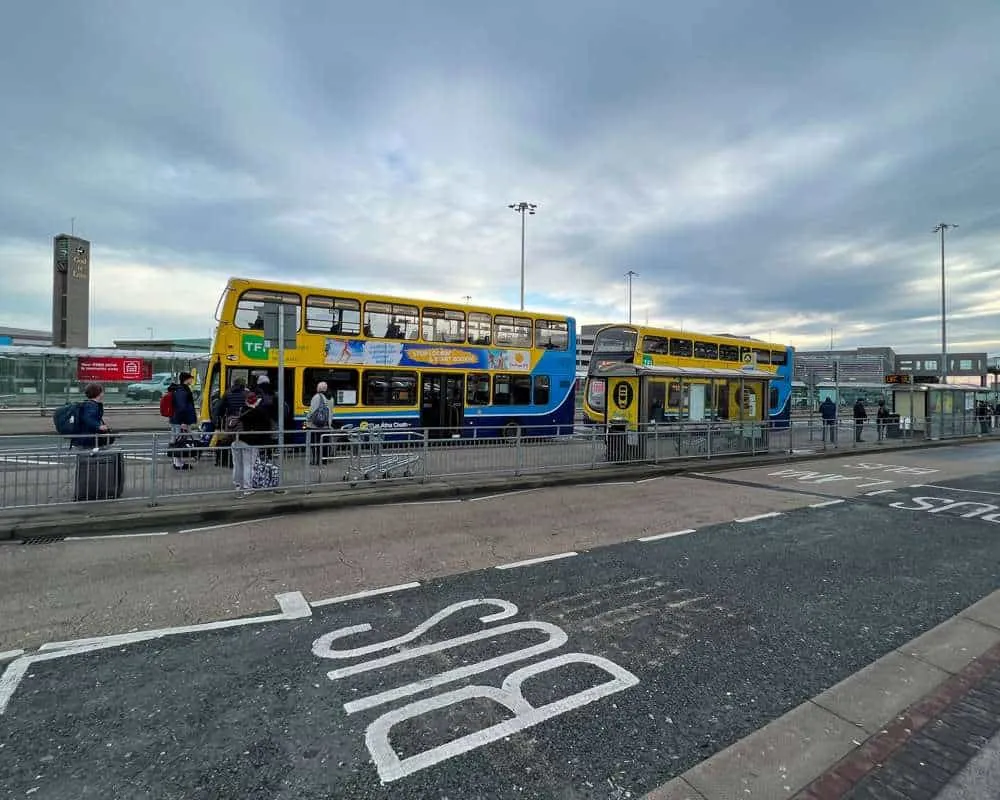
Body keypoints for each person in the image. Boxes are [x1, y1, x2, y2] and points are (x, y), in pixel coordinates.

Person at [231, 392, 275, 495]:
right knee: (248, 465)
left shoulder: (242, 410)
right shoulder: (260, 412)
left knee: (237, 465)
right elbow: (267, 428)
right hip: (250, 442)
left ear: (246, 401)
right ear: (256, 401)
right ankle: (247, 488)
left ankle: (238, 485)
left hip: (236, 440)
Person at [169, 372, 198, 471]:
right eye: (191, 378)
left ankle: (178, 462)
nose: (192, 380)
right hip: (180, 420)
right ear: (186, 379)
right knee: (179, 441)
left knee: (178, 440)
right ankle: (178, 463)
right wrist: (183, 422)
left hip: (177, 420)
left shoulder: (181, 389)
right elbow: (181, 407)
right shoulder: (182, 390)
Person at [71, 383, 111, 449]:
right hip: (88, 439)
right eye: (102, 391)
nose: (103, 393)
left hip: (86, 438)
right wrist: (99, 426)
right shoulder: (91, 405)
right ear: (98, 393)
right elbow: (88, 418)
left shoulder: (89, 404)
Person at [304, 381, 334, 465]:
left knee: (314, 444)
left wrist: (307, 418)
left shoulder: (317, 397)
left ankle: (315, 461)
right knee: (324, 445)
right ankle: (323, 461)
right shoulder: (330, 398)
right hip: (326, 425)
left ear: (319, 388)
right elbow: (331, 412)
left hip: (315, 426)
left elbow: (312, 411)